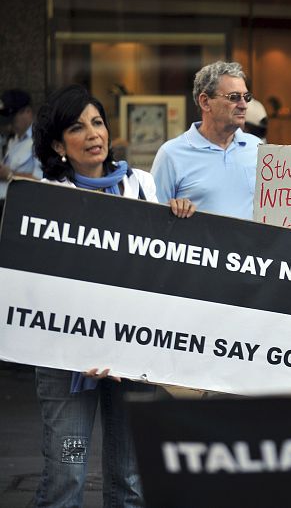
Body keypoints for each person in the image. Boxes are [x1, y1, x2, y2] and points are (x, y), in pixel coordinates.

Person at [32, 84, 195, 507]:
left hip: (134, 357)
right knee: (66, 475)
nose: (92, 133)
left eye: (97, 122)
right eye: (77, 126)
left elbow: (161, 264)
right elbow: (39, 281)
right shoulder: (45, 195)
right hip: (66, 358)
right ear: (57, 144)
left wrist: (178, 219)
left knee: (130, 481)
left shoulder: (141, 184)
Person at [152, 61, 261, 219]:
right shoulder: (171, 154)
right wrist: (172, 210)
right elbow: (152, 220)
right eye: (234, 97)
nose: (244, 105)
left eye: (246, 97)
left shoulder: (257, 147)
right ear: (205, 102)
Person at [0, 89, 42, 206]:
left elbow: (41, 181)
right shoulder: (13, 140)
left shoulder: (39, 140)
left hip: (22, 205)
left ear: (28, 112)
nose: (10, 123)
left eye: (13, 117)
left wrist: (9, 174)